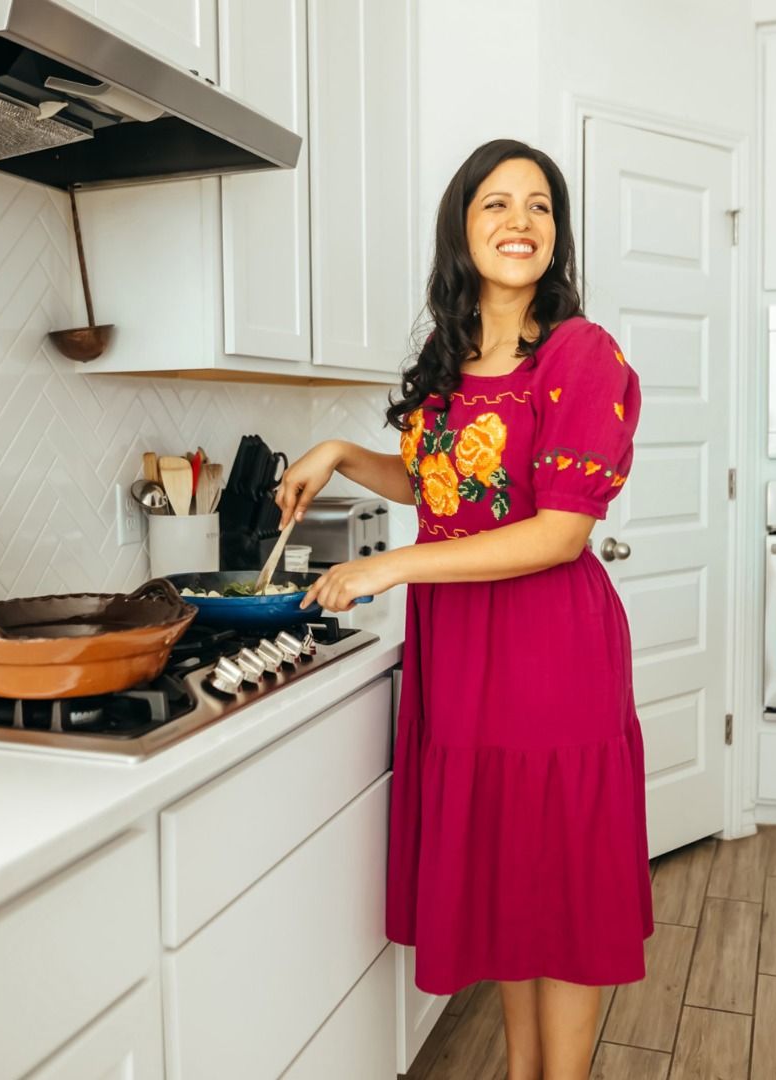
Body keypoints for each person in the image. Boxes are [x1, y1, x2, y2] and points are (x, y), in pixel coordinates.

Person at [276, 138, 651, 1080]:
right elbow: (456, 486)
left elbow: (558, 531)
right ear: (461, 228)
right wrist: (341, 454)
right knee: (517, 884)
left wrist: (392, 567)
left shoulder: (579, 353)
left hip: (547, 651)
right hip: (463, 655)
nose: (520, 222)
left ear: (556, 237)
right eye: (496, 204)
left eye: (539, 206)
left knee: (558, 888)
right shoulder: (452, 361)